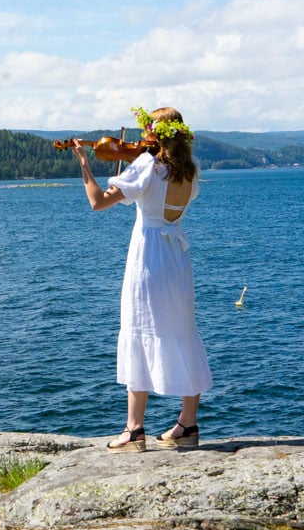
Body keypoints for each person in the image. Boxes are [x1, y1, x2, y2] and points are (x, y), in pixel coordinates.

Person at [71, 106, 214, 453]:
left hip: (149, 256)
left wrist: (84, 164)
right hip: (177, 258)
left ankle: (134, 429)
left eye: (148, 129)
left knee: (138, 330)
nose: (142, 137)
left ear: (157, 133)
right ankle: (187, 424)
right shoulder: (190, 169)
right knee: (183, 331)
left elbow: (98, 202)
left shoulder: (148, 165)